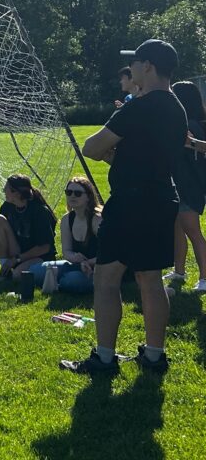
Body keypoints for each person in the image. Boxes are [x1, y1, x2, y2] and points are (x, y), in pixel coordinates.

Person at [61, 39, 188, 376]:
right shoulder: (177, 108)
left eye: (134, 64)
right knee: (151, 279)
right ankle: (155, 356)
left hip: (130, 202)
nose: (130, 70)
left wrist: (111, 154)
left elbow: (91, 147)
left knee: (106, 279)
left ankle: (104, 359)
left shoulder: (137, 107)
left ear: (147, 66)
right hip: (163, 199)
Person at [164, 81, 206, 292]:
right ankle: (179, 271)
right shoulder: (189, 122)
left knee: (192, 231)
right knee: (178, 229)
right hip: (179, 185)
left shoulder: (191, 125)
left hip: (188, 187)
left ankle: (205, 278)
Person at [30, 177, 101, 293]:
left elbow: (110, 255)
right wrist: (75, 258)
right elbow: (67, 252)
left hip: (98, 268)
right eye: (69, 192)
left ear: (88, 197)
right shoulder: (67, 219)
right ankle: (58, 281)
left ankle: (60, 282)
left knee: (71, 281)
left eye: (78, 193)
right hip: (77, 265)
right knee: (34, 271)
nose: (72, 196)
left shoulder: (97, 220)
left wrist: (88, 263)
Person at [0, 174, 57, 280]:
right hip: (17, 253)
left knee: (18, 275)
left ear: (16, 192)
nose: (3, 190)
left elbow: (44, 247)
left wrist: (16, 259)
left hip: (39, 256)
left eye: (6, 188)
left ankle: (11, 272)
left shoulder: (40, 211)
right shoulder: (7, 206)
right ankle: (5, 270)